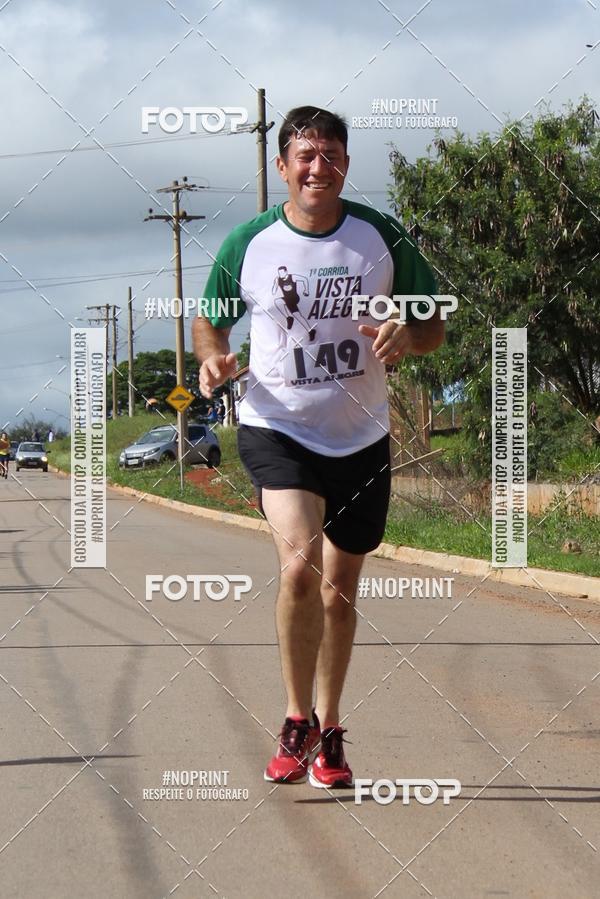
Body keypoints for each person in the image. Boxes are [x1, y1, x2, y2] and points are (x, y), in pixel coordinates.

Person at [192, 106, 444, 788]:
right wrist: (213, 359)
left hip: (360, 435)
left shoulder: (379, 236)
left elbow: (432, 324)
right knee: (299, 565)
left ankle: (330, 729)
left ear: (345, 164)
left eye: (330, 153)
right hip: (278, 427)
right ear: (282, 167)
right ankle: (295, 716)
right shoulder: (248, 242)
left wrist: (406, 332)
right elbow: (209, 323)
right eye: (304, 154)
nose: (317, 166)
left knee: (340, 592)